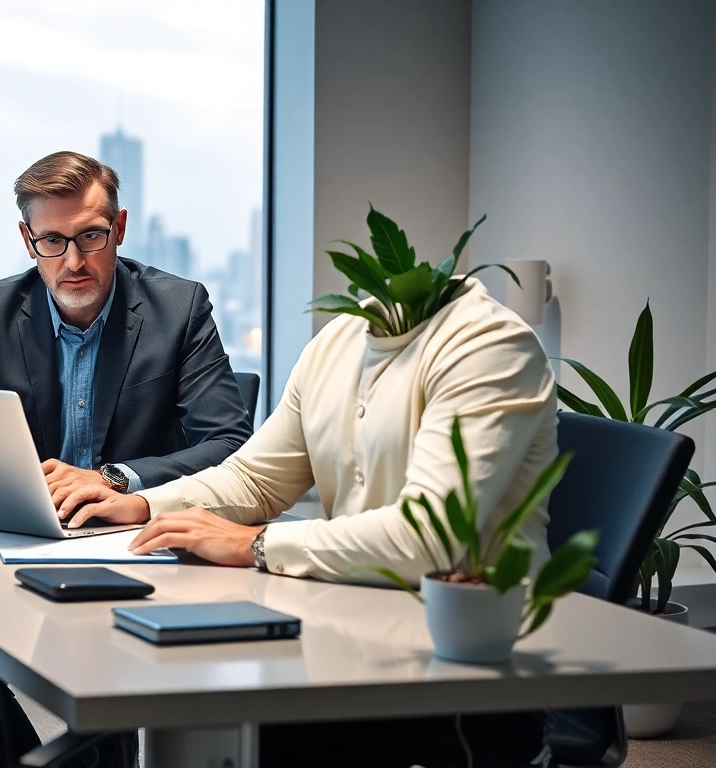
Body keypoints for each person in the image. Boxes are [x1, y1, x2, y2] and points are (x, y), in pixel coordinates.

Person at [59, 274, 560, 767]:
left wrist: (257, 544)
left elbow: (428, 535)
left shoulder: (489, 345)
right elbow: (256, 480)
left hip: (468, 669)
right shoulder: (336, 343)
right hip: (352, 636)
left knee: (246, 713)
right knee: (233, 706)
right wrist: (144, 505)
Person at [0, 150, 252, 504]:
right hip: (24, 517)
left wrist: (113, 479)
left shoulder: (179, 310)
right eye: (52, 240)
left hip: (133, 526)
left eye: (91, 236)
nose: (74, 261)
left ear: (120, 229)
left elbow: (228, 444)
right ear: (28, 241)